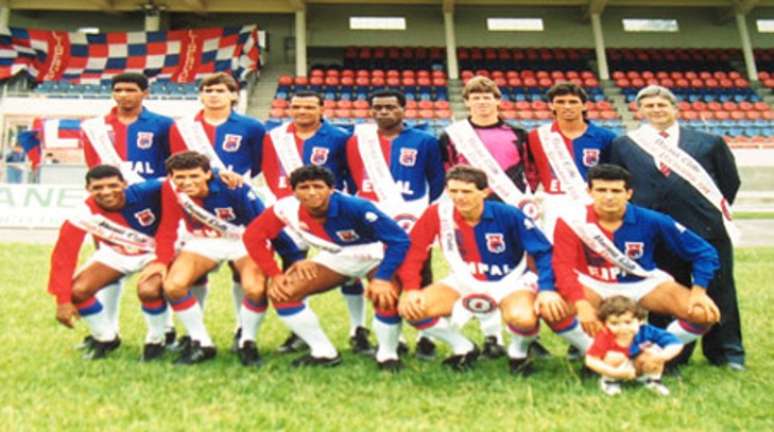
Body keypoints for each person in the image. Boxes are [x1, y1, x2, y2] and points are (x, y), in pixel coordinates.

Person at [610, 85, 744, 371]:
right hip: (655, 232)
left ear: (675, 108)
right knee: (667, 291)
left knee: (719, 289)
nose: (656, 110)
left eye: (662, 105)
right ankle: (672, 352)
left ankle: (726, 352)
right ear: (640, 111)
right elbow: (621, 182)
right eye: (649, 106)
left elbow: (728, 183)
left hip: (706, 228)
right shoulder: (625, 145)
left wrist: (704, 212)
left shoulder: (708, 142)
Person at [397, 166, 566, 375]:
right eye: (453, 191)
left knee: (523, 318)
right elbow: (414, 250)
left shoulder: (509, 214)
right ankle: (463, 347)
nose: (459, 197)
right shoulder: (438, 214)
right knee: (412, 308)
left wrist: (547, 288)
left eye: (466, 191)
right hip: (465, 280)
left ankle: (518, 352)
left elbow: (543, 252)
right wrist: (411, 288)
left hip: (510, 282)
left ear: (484, 192)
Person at [139, 151, 302, 366]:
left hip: (244, 241)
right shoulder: (171, 189)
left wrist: (292, 259)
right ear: (171, 177)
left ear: (208, 174)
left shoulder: (234, 186)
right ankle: (202, 343)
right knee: (173, 286)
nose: (187, 182)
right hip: (203, 241)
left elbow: (265, 225)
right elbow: (168, 226)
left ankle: (247, 342)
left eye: (194, 176)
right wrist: (161, 260)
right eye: (180, 177)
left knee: (254, 288)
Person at [552, 164, 721, 369]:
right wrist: (581, 304)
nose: (609, 197)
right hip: (593, 282)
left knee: (703, 314)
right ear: (589, 192)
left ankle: (650, 354)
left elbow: (704, 252)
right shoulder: (571, 222)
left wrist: (699, 291)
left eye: (616, 191)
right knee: (552, 310)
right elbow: (562, 266)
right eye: (601, 190)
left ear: (629, 193)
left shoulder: (652, 220)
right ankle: (598, 355)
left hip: (641, 282)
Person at [243, 165, 410, 371]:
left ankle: (388, 355)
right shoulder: (285, 208)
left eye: (318, 186)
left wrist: (383, 277)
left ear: (331, 189)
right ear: (294, 191)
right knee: (283, 293)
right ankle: (323, 352)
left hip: (375, 254)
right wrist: (275, 274)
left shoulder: (357, 207)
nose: (312, 192)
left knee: (385, 296)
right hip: (337, 256)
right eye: (304, 187)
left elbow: (399, 240)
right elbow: (252, 236)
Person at [439, 75, 545, 357]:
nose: (482, 103)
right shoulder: (452, 135)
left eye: (487, 97)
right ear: (467, 103)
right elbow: (448, 169)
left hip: (510, 210)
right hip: (471, 210)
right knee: (478, 268)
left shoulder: (518, 134)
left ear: (498, 101)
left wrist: (524, 200)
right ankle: (492, 336)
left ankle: (525, 334)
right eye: (476, 98)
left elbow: (531, 171)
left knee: (519, 269)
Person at [262, 91, 370, 354]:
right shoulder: (274, 137)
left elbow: (350, 173)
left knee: (348, 270)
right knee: (295, 268)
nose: (302, 111)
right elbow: (268, 169)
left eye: (309, 107)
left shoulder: (339, 137)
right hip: (290, 213)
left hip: (328, 212)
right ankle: (299, 332)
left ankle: (358, 329)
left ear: (322, 109)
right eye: (297, 106)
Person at [169, 72, 266, 350]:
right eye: (208, 89)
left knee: (243, 274)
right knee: (193, 274)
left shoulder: (251, 126)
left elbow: (258, 163)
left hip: (238, 202)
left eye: (220, 90)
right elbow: (176, 163)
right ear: (200, 94)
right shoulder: (183, 127)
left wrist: (235, 182)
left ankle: (241, 328)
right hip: (196, 207)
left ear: (234, 95)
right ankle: (193, 335)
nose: (213, 95)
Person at [345, 89, 444, 358]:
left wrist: (420, 212)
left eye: (390, 107)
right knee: (379, 273)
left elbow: (436, 180)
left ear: (404, 109)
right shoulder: (357, 141)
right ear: (371, 111)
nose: (384, 112)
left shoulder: (424, 141)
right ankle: (393, 337)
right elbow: (352, 179)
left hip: (411, 215)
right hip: (372, 217)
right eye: (377, 108)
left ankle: (425, 336)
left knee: (419, 272)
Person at [79, 72, 176, 343]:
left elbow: (173, 164)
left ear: (145, 93)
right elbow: (94, 167)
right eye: (118, 90)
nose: (123, 95)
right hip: (111, 206)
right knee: (108, 258)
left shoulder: (162, 124)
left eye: (130, 90)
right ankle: (108, 330)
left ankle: (165, 330)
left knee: (158, 266)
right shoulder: (95, 127)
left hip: (151, 206)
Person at [47, 165, 168, 361]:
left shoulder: (147, 190)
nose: (106, 192)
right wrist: (62, 300)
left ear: (124, 184)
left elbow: (180, 176)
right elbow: (63, 257)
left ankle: (156, 340)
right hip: (116, 253)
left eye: (113, 185)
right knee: (78, 290)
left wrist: (219, 174)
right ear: (88, 189)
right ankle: (106, 338)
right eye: (98, 188)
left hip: (153, 252)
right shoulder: (82, 214)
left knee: (148, 290)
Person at [527, 82, 617, 240]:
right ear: (551, 105)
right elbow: (530, 170)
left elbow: (613, 172)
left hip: (591, 202)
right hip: (552, 203)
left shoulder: (605, 137)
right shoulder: (537, 136)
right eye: (560, 102)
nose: (567, 106)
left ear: (584, 106)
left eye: (573, 102)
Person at [585, 296, 683, 396]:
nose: (622, 328)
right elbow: (591, 360)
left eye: (628, 322)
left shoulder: (647, 331)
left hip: (639, 364)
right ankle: (610, 382)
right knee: (614, 356)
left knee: (654, 352)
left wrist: (661, 357)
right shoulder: (605, 336)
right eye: (614, 323)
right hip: (617, 367)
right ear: (605, 323)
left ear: (640, 321)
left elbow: (676, 343)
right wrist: (615, 372)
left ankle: (652, 381)